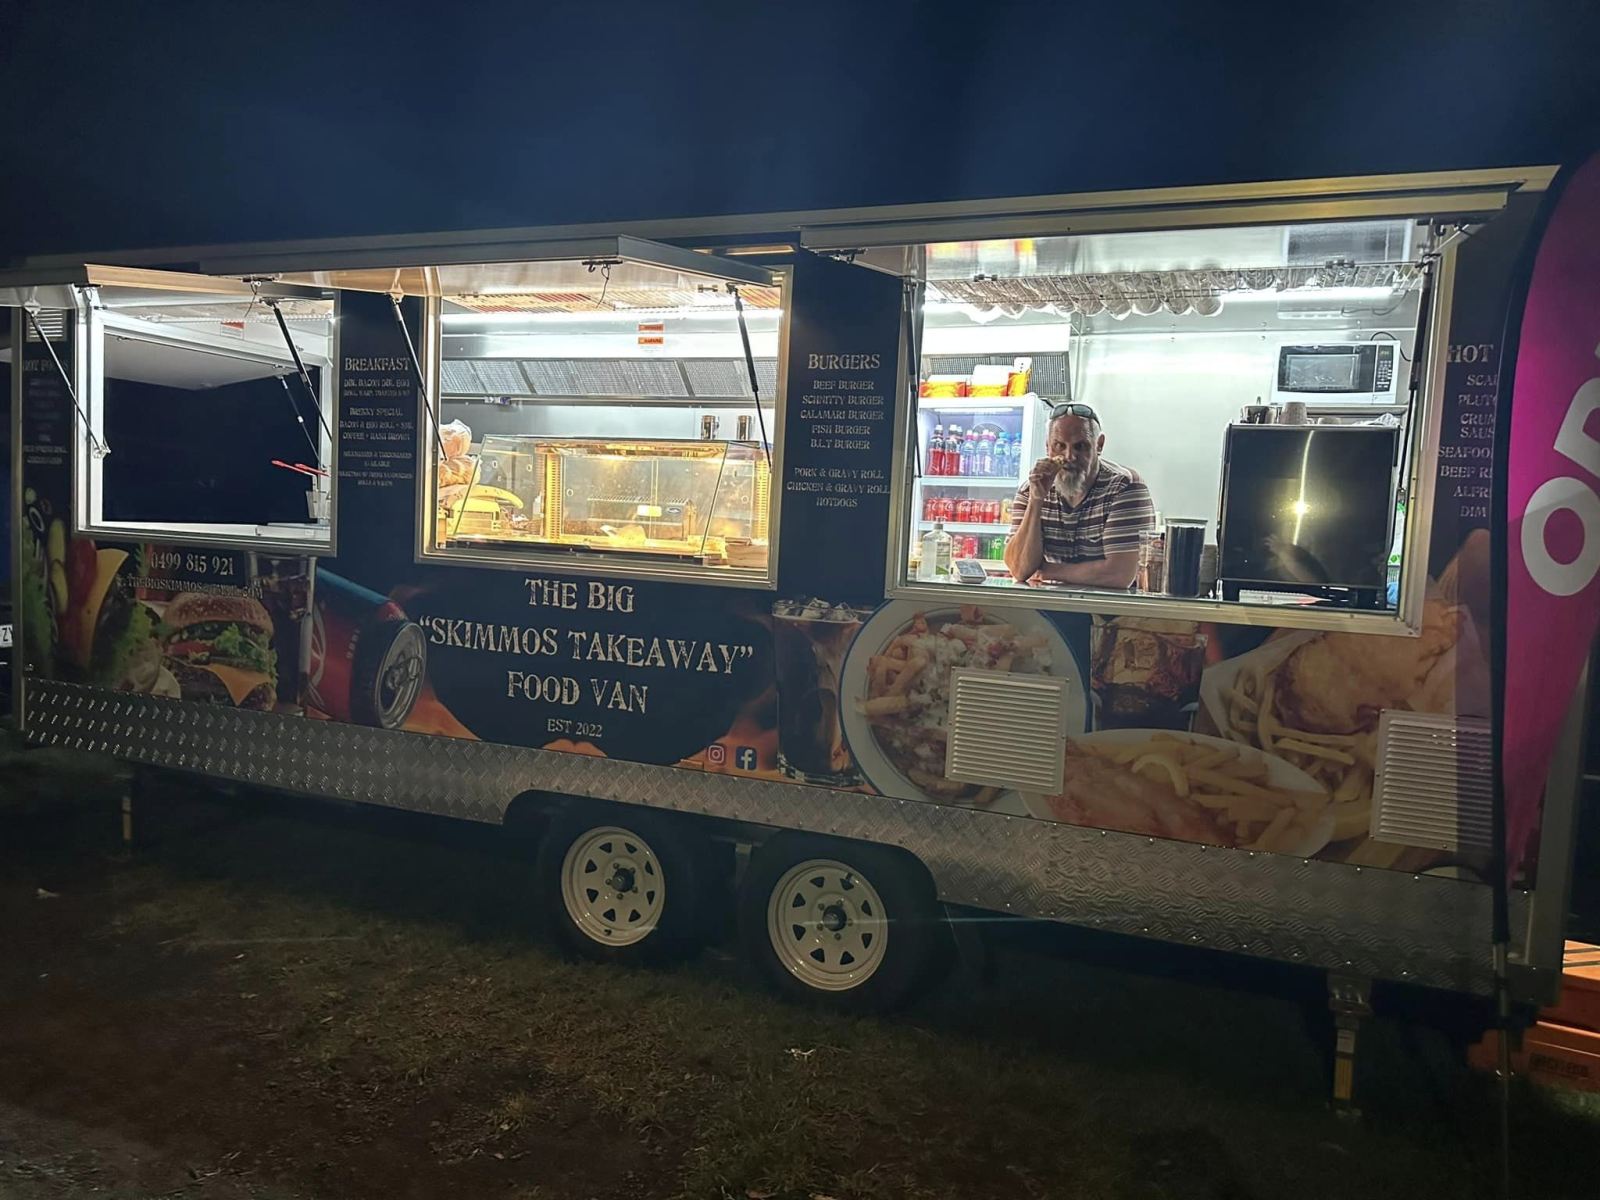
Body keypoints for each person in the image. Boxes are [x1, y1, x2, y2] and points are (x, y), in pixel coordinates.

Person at [1003, 402, 1156, 589]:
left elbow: (1119, 574)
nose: (1069, 456)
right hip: (1049, 602)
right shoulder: (1030, 490)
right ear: (1047, 447)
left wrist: (1046, 571)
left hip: (1109, 605)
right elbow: (1019, 569)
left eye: (1080, 446)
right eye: (1059, 445)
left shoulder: (1125, 487)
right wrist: (1036, 501)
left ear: (1099, 445)